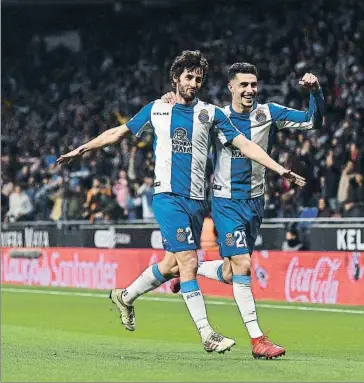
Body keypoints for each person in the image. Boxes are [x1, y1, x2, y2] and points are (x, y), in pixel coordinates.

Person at [57, 51, 305, 354]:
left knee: (173, 264)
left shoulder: (212, 114)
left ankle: (125, 296)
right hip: (167, 197)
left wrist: (278, 169)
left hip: (197, 201)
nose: (193, 83)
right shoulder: (157, 110)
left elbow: (244, 144)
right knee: (187, 261)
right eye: (188, 77)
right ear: (176, 79)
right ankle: (207, 334)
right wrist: (81, 149)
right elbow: (117, 133)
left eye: (198, 78)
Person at [162, 62, 323, 359]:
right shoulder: (215, 116)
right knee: (244, 264)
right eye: (244, 85)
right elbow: (184, 117)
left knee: (229, 271)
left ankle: (188, 270)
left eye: (253, 84)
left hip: (255, 202)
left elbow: (312, 121)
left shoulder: (269, 113)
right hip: (225, 203)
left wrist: (315, 92)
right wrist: (171, 101)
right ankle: (257, 340)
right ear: (231, 88)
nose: (250, 90)